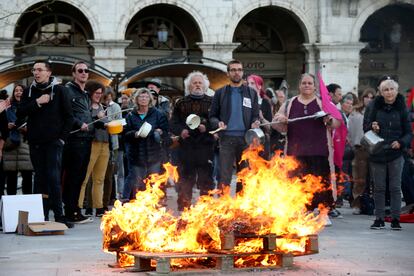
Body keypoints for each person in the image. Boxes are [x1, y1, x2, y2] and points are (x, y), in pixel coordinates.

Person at [272, 73, 341, 225]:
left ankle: (323, 213)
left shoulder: (324, 103)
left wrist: (329, 120)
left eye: (310, 83)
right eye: (304, 83)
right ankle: (305, 212)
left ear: (315, 86)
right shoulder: (290, 103)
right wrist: (281, 120)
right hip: (296, 152)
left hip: (319, 150)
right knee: (299, 183)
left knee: (322, 183)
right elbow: (276, 124)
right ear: (299, 85)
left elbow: (337, 122)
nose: (307, 85)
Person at [16, 60, 74, 227]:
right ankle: (40, 215)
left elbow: (69, 117)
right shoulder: (28, 91)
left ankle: (59, 215)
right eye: (34, 70)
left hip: (54, 143)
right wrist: (37, 102)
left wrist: (62, 139)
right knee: (39, 179)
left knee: (54, 178)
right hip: (35, 143)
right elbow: (20, 112)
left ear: (49, 72)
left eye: (40, 70)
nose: (36, 73)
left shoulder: (61, 90)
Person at [364, 78, 412, 230]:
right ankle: (379, 218)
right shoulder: (374, 106)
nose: (389, 92)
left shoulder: (402, 107)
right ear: (381, 92)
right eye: (386, 89)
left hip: (396, 153)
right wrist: (373, 127)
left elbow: (408, 133)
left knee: (395, 187)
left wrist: (401, 142)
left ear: (396, 91)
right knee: (378, 187)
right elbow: (366, 127)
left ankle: (396, 219)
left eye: (392, 89)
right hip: (378, 152)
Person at [209, 60, 260, 193]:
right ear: (228, 73)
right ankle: (224, 206)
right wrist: (217, 123)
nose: (236, 72)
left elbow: (255, 115)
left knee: (244, 176)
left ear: (242, 72)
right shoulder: (220, 93)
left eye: (239, 69)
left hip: (245, 139)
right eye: (233, 70)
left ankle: (240, 206)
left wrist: (255, 121)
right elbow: (212, 116)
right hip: (226, 139)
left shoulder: (251, 93)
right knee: (224, 176)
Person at [170, 71, 215, 211]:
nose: (197, 85)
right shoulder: (181, 103)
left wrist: (206, 127)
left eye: (200, 83)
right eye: (194, 83)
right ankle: (184, 208)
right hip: (186, 147)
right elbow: (173, 123)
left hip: (205, 146)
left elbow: (217, 122)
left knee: (206, 180)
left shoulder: (212, 102)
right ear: (189, 86)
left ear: (205, 86)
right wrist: (180, 131)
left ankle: (205, 210)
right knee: (185, 179)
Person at [61, 61, 94, 223]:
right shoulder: (68, 91)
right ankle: (70, 212)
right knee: (73, 177)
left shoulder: (85, 94)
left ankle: (74, 209)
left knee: (80, 177)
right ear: (73, 73)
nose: (83, 73)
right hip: (73, 140)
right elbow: (65, 113)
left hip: (86, 140)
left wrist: (100, 122)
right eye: (80, 70)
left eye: (86, 70)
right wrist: (78, 124)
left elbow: (85, 116)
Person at [122, 88, 169, 200]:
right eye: (141, 97)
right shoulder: (130, 116)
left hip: (154, 155)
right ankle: (136, 208)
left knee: (153, 184)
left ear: (150, 99)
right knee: (137, 185)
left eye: (146, 97)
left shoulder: (158, 114)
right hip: (136, 156)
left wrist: (161, 132)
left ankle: (152, 209)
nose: (144, 99)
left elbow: (166, 131)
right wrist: (135, 134)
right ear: (136, 100)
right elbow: (124, 134)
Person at [78, 80, 110, 217]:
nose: (99, 95)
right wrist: (97, 117)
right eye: (96, 93)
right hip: (91, 143)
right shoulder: (86, 106)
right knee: (84, 178)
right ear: (90, 92)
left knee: (99, 179)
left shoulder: (103, 107)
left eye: (100, 93)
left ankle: (99, 207)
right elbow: (86, 122)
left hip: (105, 143)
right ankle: (78, 206)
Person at [347, 88, 375, 214]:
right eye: (366, 97)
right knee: (359, 178)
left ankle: (371, 204)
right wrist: (354, 144)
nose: (368, 99)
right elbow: (350, 131)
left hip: (375, 148)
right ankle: (357, 204)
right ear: (362, 98)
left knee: (374, 178)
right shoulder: (356, 112)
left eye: (371, 97)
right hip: (360, 148)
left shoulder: (376, 111)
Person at [3, 84, 33, 195]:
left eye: (21, 90)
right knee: (11, 178)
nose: (18, 92)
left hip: (25, 145)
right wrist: (6, 126)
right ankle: (11, 207)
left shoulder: (31, 107)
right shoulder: (7, 108)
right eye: (16, 90)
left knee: (27, 177)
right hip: (10, 145)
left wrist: (28, 129)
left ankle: (27, 208)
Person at [247, 74, 273, 159]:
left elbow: (269, 127)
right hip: (247, 141)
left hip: (262, 142)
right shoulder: (244, 101)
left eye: (252, 83)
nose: (249, 86)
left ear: (259, 86)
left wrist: (261, 118)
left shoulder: (265, 103)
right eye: (248, 83)